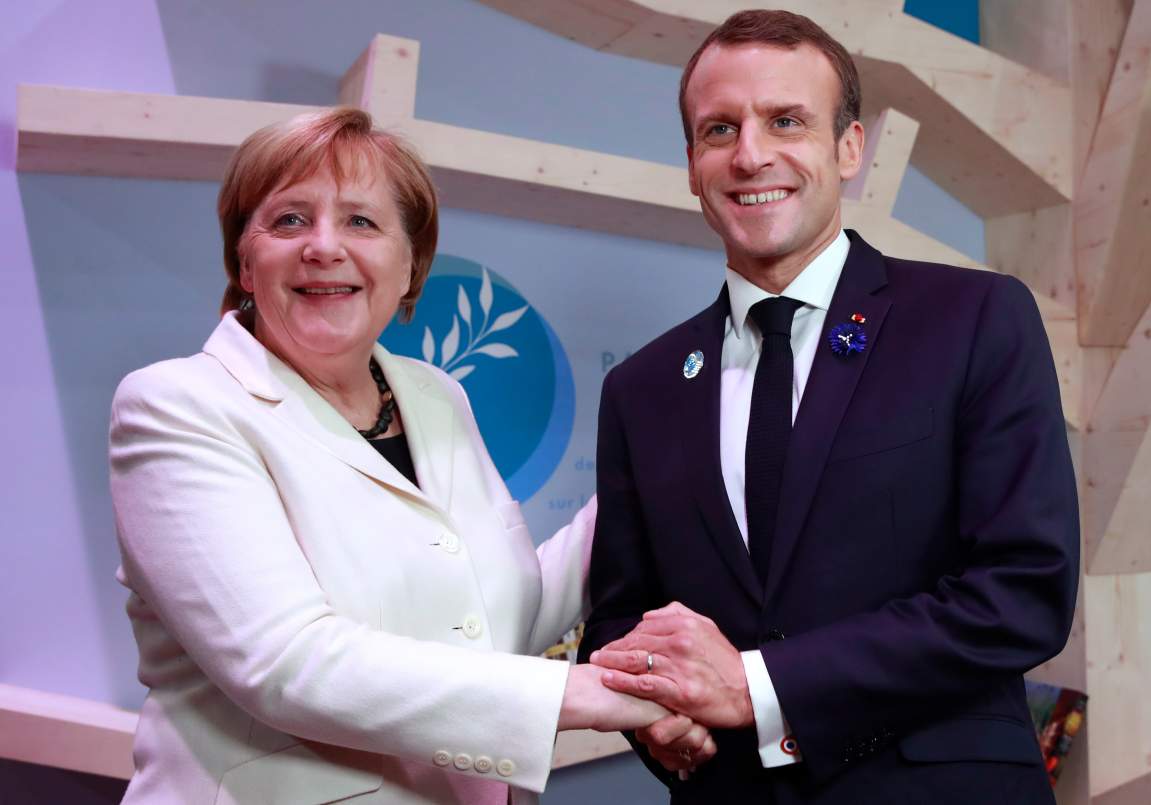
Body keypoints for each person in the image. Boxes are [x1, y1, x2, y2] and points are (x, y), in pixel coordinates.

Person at [108, 107, 683, 805]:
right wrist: (595, 693)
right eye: (289, 219)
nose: (324, 247)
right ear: (243, 260)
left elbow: (490, 619)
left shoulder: (433, 394)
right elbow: (288, 664)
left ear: (412, 265)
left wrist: (646, 480)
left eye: (361, 222)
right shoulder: (175, 406)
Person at [581, 9, 1079, 804]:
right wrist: (654, 715)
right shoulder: (639, 389)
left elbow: (1022, 590)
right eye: (719, 129)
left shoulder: (976, 318)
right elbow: (617, 621)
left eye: (786, 120)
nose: (751, 155)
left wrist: (755, 685)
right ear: (690, 162)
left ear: (849, 148)